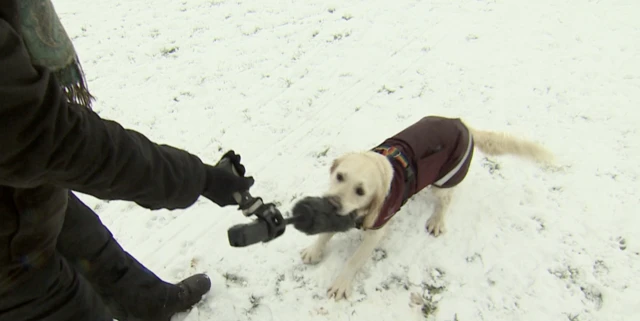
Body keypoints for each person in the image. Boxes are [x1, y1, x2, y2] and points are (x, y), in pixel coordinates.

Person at [0, 1, 255, 320]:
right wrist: (197, 178)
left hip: (18, 187)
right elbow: (49, 139)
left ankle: (150, 303)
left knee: (82, 236)